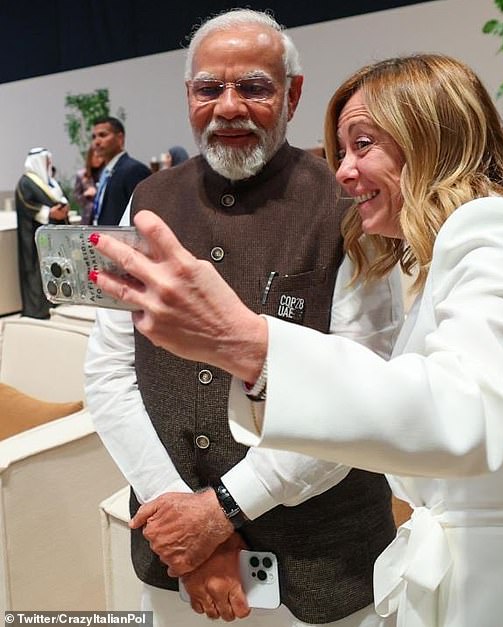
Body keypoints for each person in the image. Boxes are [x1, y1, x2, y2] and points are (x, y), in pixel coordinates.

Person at [90, 53, 503, 627]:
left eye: (363, 144)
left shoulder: (495, 231)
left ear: (429, 138)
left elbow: (465, 415)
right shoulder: (452, 254)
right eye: (342, 149)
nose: (344, 172)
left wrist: (250, 345)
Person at [84, 9, 401, 627]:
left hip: (324, 566)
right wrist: (178, 511)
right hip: (175, 559)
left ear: (293, 95)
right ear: (189, 97)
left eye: (253, 86)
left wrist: (220, 513)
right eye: (209, 88)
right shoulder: (148, 199)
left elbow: (365, 394)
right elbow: (109, 372)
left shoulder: (347, 201)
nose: (228, 106)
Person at [14, 147, 69, 318]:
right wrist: (50, 213)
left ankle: (54, 302)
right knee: (36, 273)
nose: (49, 163)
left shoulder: (49, 182)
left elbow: (60, 198)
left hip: (52, 237)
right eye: (46, 160)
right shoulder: (26, 182)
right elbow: (27, 204)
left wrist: (63, 209)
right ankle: (36, 310)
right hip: (34, 238)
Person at [89, 116, 151, 225]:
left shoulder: (134, 170)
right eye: (94, 137)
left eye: (103, 135)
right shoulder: (105, 172)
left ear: (120, 138)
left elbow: (142, 214)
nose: (96, 142)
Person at [73, 146, 105, 224]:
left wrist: (97, 192)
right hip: (88, 216)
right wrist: (85, 194)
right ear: (90, 157)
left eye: (101, 157)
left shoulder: (106, 174)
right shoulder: (81, 175)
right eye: (96, 156)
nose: (99, 159)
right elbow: (76, 198)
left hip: (104, 214)